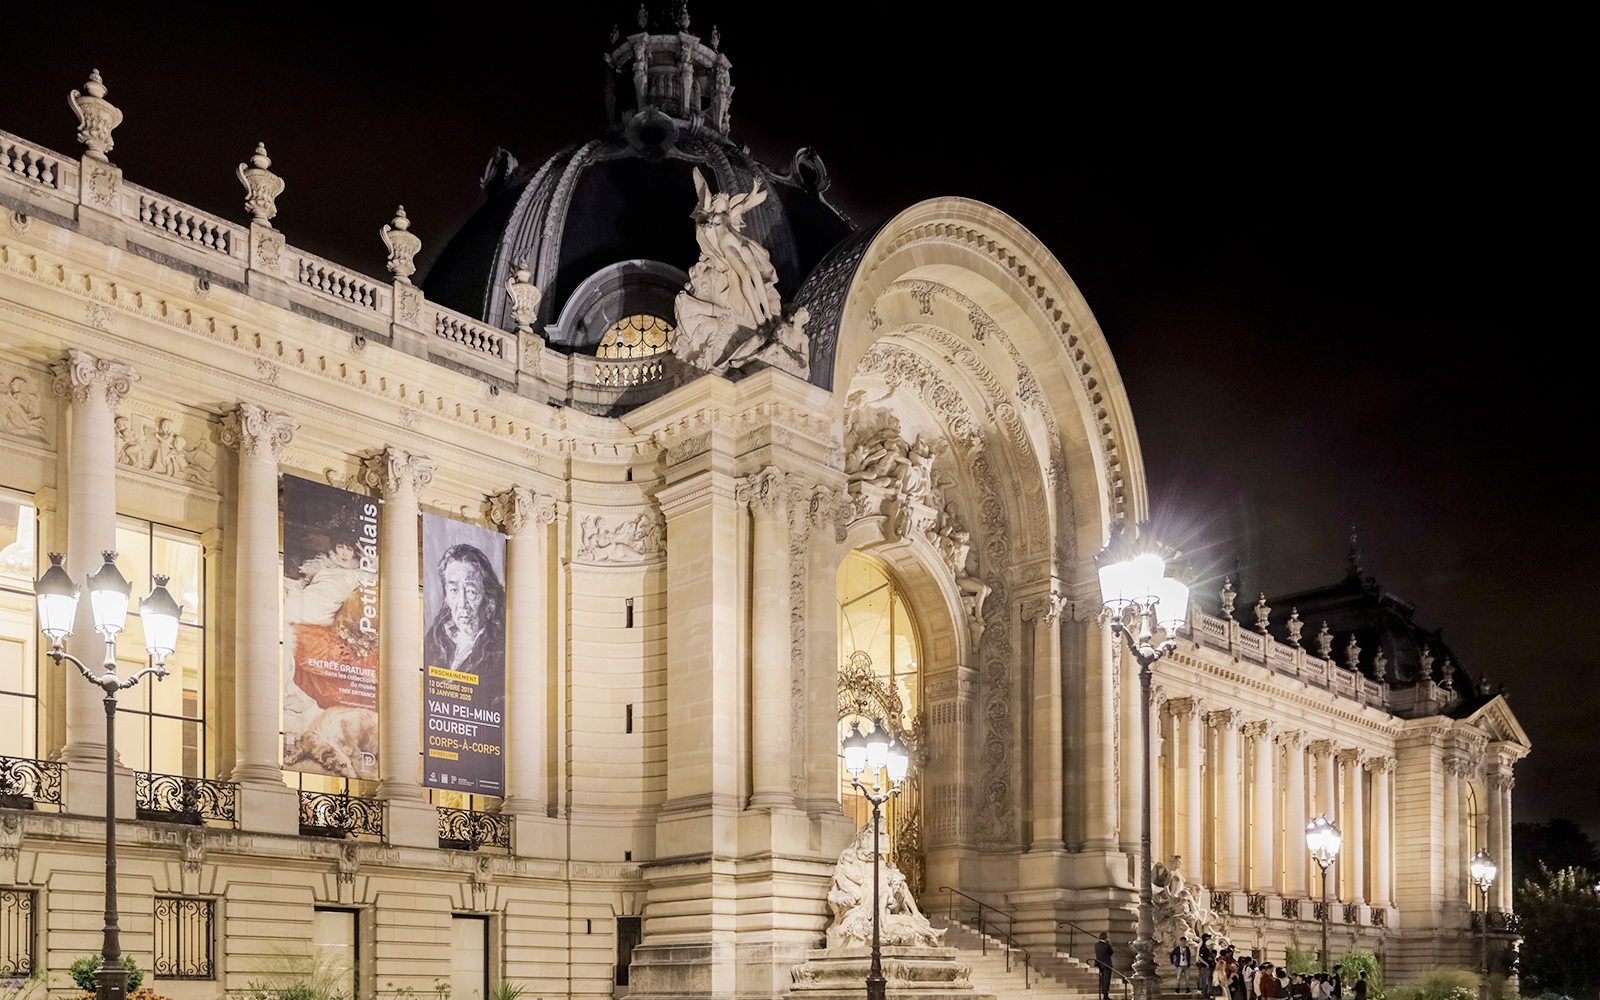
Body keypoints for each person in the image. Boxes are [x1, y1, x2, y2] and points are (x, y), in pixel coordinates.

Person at [423, 542, 507, 683]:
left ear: (490, 602)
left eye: (471, 592)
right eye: (454, 590)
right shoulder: (435, 640)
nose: (462, 604)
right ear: (447, 599)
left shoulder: (499, 655)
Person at [1096, 932, 1114, 1000]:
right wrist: (1108, 943)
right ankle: (1105, 994)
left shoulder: (1097, 945)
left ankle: (1102, 992)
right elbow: (1111, 952)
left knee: (1102, 979)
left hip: (1099, 964)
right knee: (1106, 979)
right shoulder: (1107, 945)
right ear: (1106, 938)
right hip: (1107, 964)